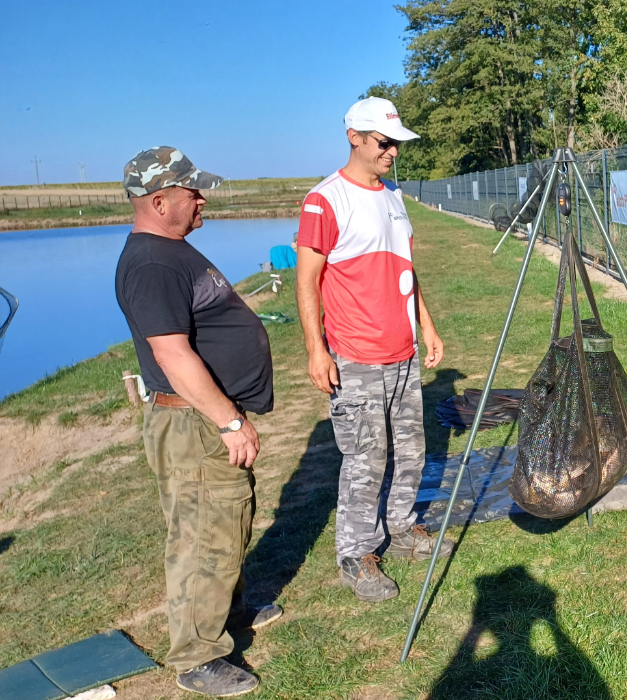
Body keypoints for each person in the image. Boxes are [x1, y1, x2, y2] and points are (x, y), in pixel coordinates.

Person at [114, 147, 282, 697]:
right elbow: (172, 354)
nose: (202, 197)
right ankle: (197, 656)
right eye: (192, 191)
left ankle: (225, 616)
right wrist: (230, 422)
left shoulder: (173, 249)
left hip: (203, 421)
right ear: (159, 201)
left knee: (226, 523)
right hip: (194, 424)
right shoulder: (154, 263)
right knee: (200, 536)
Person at [296, 97, 448, 603]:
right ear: (354, 138)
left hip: (402, 353)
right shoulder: (324, 201)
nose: (392, 152)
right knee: (365, 457)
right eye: (384, 142)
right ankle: (356, 554)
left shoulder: (394, 195)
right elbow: (307, 281)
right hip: (356, 357)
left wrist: (426, 325)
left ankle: (403, 529)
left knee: (411, 450)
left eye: (397, 143)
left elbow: (407, 270)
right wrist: (317, 351)